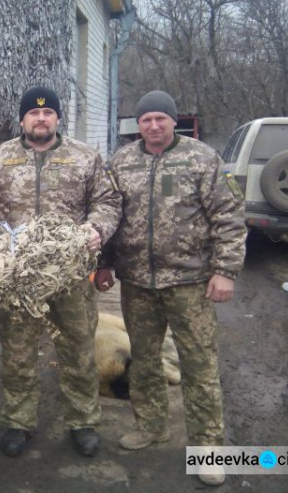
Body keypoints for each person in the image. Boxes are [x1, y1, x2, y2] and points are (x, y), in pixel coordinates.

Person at [94, 90, 246, 487]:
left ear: (173, 120)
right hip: (138, 283)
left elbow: (229, 217)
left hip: (191, 282)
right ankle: (151, 426)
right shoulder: (121, 162)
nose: (154, 125)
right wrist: (104, 264)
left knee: (199, 366)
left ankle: (208, 450)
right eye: (147, 120)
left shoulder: (202, 158)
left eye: (161, 118)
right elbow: (111, 216)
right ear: (138, 124)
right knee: (143, 361)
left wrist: (226, 270)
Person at [0, 86, 122, 458]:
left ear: (57, 118)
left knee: (78, 349)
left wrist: (97, 229)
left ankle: (83, 421)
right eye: (33, 113)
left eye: (48, 113)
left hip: (69, 275)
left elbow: (108, 201)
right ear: (22, 119)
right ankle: (18, 422)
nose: (41, 118)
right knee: (18, 353)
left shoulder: (84, 157)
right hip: (18, 278)